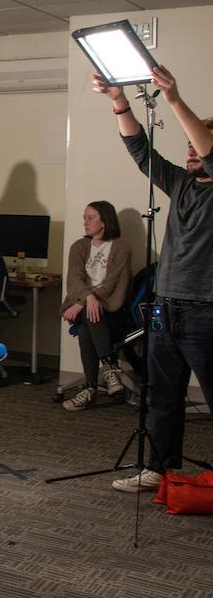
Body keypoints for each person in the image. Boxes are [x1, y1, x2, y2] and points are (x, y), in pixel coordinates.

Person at [93, 65, 213, 493]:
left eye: (199, 147)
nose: (191, 153)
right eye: (189, 147)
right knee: (162, 394)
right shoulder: (181, 183)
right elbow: (141, 150)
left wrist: (175, 100)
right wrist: (118, 102)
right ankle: (161, 470)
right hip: (167, 307)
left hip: (206, 312)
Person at [60, 201, 132, 411]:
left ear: (104, 221)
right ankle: (110, 368)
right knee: (90, 316)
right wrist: (87, 300)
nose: (85, 222)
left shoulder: (121, 247)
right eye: (84, 217)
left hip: (112, 308)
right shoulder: (79, 246)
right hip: (84, 305)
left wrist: (86, 302)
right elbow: (74, 279)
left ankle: (90, 388)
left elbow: (114, 283)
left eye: (90, 218)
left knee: (88, 320)